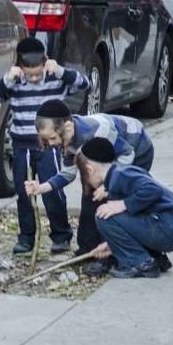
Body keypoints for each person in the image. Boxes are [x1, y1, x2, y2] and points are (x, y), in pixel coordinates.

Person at [0, 37, 89, 255]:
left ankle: (61, 235)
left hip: (50, 146)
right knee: (24, 193)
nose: (33, 78)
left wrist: (60, 71)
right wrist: (7, 79)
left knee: (53, 190)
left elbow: (84, 83)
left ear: (45, 63)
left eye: (37, 73)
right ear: (19, 67)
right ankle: (26, 237)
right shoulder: (14, 82)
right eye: (28, 74)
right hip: (22, 146)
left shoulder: (54, 77)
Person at [25, 99, 154, 275]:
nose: (52, 144)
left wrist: (109, 186)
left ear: (67, 127)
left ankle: (110, 257)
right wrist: (42, 187)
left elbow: (127, 153)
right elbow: (68, 174)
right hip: (106, 160)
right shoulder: (67, 141)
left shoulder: (98, 132)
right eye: (47, 140)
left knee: (111, 202)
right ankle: (88, 250)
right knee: (90, 193)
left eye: (53, 138)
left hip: (136, 149)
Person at [75, 137, 173, 278]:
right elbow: (129, 224)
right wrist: (111, 245)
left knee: (104, 216)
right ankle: (156, 259)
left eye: (83, 175)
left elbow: (153, 189)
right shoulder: (120, 174)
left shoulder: (120, 176)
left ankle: (140, 263)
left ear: (89, 170)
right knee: (111, 213)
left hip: (167, 227)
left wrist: (123, 204)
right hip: (169, 226)